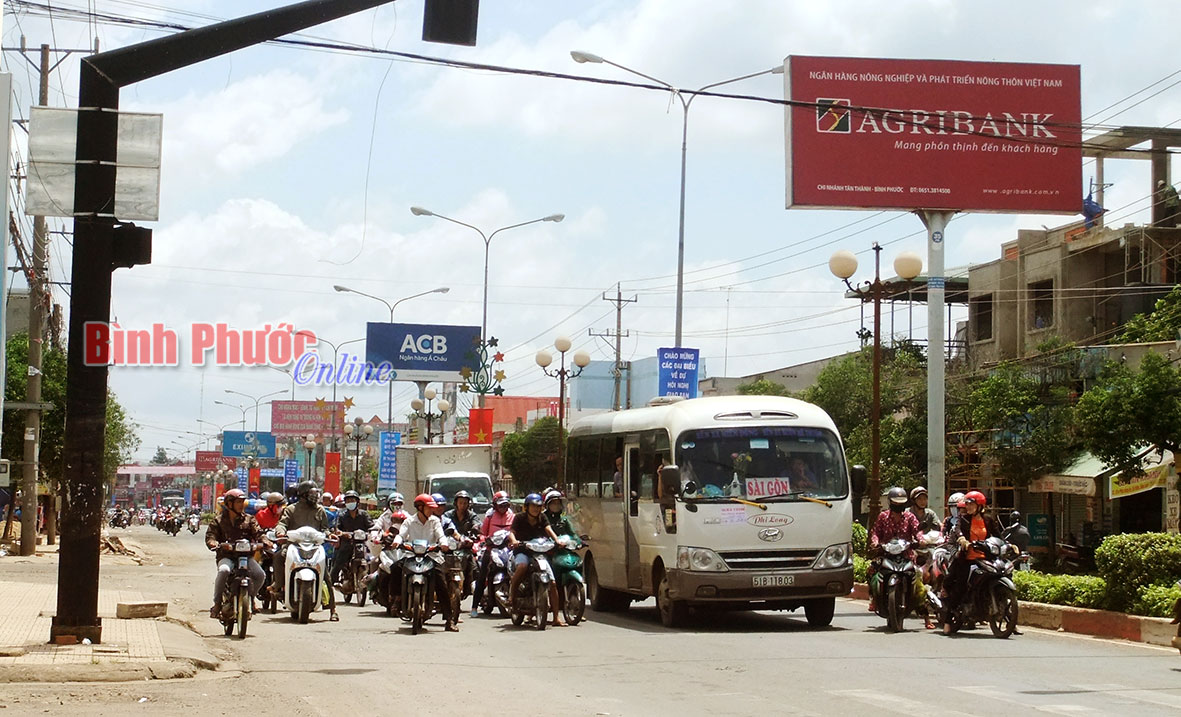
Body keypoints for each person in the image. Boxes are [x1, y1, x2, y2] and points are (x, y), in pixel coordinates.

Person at [941, 490, 1003, 635]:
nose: (967, 507)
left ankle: (1008, 615)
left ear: (980, 506)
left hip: (986, 558)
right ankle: (948, 620)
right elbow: (958, 532)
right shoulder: (964, 520)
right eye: (967, 504)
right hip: (967, 559)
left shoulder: (988, 520)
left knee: (1001, 574)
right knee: (960, 587)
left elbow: (998, 535)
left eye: (970, 504)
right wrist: (963, 540)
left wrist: (1009, 545)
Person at [275, 481, 338, 621]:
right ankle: (278, 586)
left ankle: (333, 609)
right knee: (280, 556)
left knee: (326, 575)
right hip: (294, 545)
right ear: (303, 495)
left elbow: (325, 528)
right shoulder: (291, 509)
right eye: (312, 494)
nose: (315, 497)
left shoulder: (320, 510)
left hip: (314, 547)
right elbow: (282, 524)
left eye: (316, 493)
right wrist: (280, 532)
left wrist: (329, 534)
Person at [867, 486, 927, 627]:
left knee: (918, 578)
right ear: (890, 503)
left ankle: (923, 612)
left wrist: (920, 539)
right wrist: (875, 542)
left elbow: (917, 530)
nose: (899, 506)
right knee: (870, 571)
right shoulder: (883, 516)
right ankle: (874, 600)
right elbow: (875, 532)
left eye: (901, 503)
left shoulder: (910, 517)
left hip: (906, 555)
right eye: (896, 503)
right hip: (886, 554)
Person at [395, 494, 456, 631]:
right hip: (411, 556)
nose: (432, 511)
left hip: (431, 557)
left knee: (441, 583)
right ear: (420, 508)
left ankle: (449, 619)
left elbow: (441, 535)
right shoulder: (409, 521)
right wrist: (397, 542)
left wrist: (444, 544)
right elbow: (401, 535)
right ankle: (397, 600)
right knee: (395, 569)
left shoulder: (435, 521)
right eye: (429, 508)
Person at [205, 488, 266, 619]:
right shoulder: (218, 520)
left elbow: (259, 533)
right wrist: (213, 543)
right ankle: (216, 604)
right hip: (226, 556)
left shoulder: (249, 519)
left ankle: (250, 598)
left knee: (260, 575)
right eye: (238, 502)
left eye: (242, 502)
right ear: (229, 504)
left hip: (245, 557)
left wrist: (265, 541)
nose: (241, 505)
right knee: (224, 571)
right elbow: (210, 536)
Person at [508, 493, 565, 627]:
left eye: (538, 506)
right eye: (533, 506)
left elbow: (549, 529)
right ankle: (512, 595)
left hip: (539, 552)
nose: (536, 509)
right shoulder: (519, 518)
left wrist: (557, 541)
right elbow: (511, 532)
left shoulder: (542, 517)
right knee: (522, 566)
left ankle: (556, 617)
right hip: (523, 551)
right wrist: (514, 541)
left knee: (552, 583)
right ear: (527, 507)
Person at [471, 491, 514, 617]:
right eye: (501, 505)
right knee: (482, 575)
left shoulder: (512, 516)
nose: (503, 508)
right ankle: (474, 606)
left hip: (508, 549)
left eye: (506, 505)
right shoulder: (489, 516)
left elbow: (515, 532)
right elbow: (483, 533)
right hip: (491, 549)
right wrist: (485, 540)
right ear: (495, 505)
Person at [331, 490, 374, 587]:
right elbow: (337, 528)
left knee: (373, 559)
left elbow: (371, 526)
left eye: (352, 500)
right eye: (348, 500)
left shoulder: (364, 514)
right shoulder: (341, 515)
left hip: (363, 543)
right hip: (347, 543)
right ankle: (334, 581)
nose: (350, 502)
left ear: (357, 502)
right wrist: (341, 533)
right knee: (339, 560)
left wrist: (372, 532)